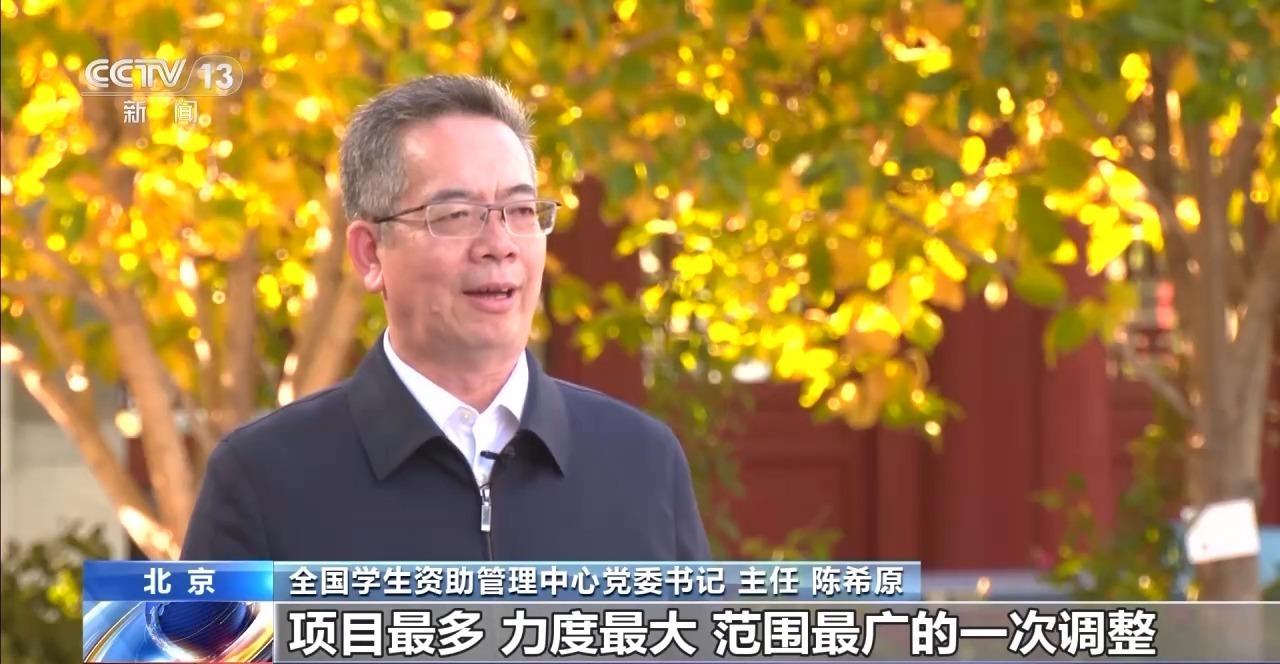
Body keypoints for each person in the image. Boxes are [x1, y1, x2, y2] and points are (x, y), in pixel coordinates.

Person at [181, 75, 710, 561]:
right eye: (456, 215)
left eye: (521, 211)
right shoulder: (261, 479)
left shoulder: (643, 462)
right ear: (370, 253)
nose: (499, 244)